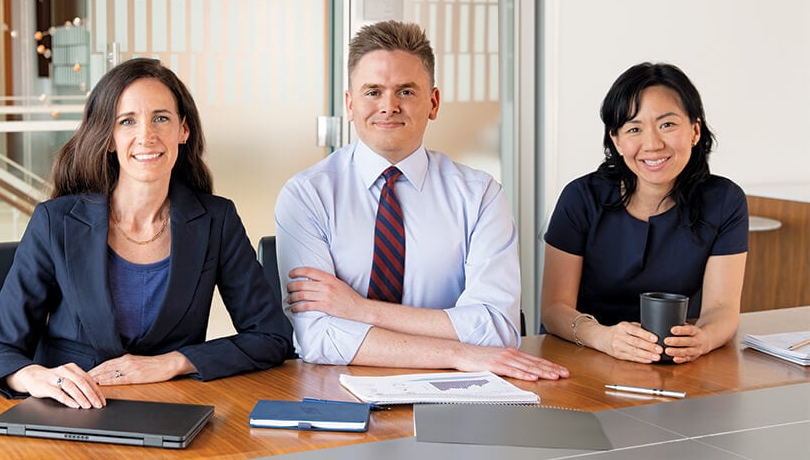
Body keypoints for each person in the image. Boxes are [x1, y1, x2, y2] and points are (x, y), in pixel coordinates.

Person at [0, 58, 293, 408]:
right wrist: (33, 375)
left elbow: (271, 336)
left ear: (183, 130)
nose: (147, 136)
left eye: (161, 118)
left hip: (171, 410)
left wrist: (173, 362)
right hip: (70, 414)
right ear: (109, 138)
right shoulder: (57, 222)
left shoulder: (216, 220)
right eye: (127, 122)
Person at [275, 20, 568, 381]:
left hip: (459, 391)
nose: (389, 106)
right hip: (340, 388)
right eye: (372, 92)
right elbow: (318, 336)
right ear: (350, 105)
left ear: (433, 102)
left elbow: (495, 327)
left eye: (406, 91)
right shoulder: (307, 195)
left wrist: (359, 310)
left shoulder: (480, 195)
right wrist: (459, 352)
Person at [540, 62, 748, 364]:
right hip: (583, 358)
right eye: (634, 129)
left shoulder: (725, 201)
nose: (652, 144)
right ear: (616, 140)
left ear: (694, 130)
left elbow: (722, 310)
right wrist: (604, 338)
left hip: (676, 363)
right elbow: (554, 308)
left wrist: (703, 340)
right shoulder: (581, 198)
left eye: (667, 125)